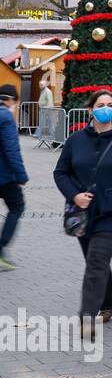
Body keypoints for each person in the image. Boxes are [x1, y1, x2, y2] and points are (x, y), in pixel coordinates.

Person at [53, 90, 112, 333]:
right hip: (83, 213)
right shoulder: (75, 140)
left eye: (110, 104)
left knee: (96, 261)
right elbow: (60, 172)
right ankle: (110, 302)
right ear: (91, 109)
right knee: (96, 261)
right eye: (100, 104)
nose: (105, 108)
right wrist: (74, 195)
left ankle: (87, 317)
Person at [0, 84, 28, 271]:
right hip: (4, 176)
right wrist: (21, 175)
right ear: (10, 100)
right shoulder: (6, 117)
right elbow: (11, 150)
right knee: (17, 206)